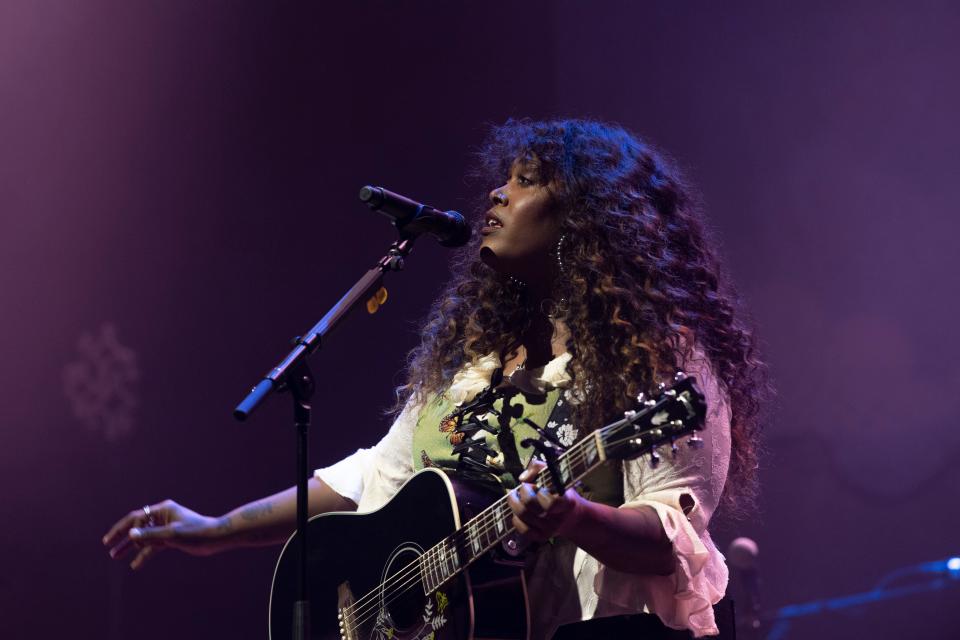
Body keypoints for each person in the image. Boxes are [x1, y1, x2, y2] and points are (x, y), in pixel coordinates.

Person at [103, 118, 767, 638]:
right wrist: (215, 529)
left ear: (586, 222)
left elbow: (669, 539)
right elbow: (371, 481)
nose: (497, 192)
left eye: (526, 180)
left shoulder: (656, 356)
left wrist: (571, 516)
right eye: (502, 178)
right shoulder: (473, 364)